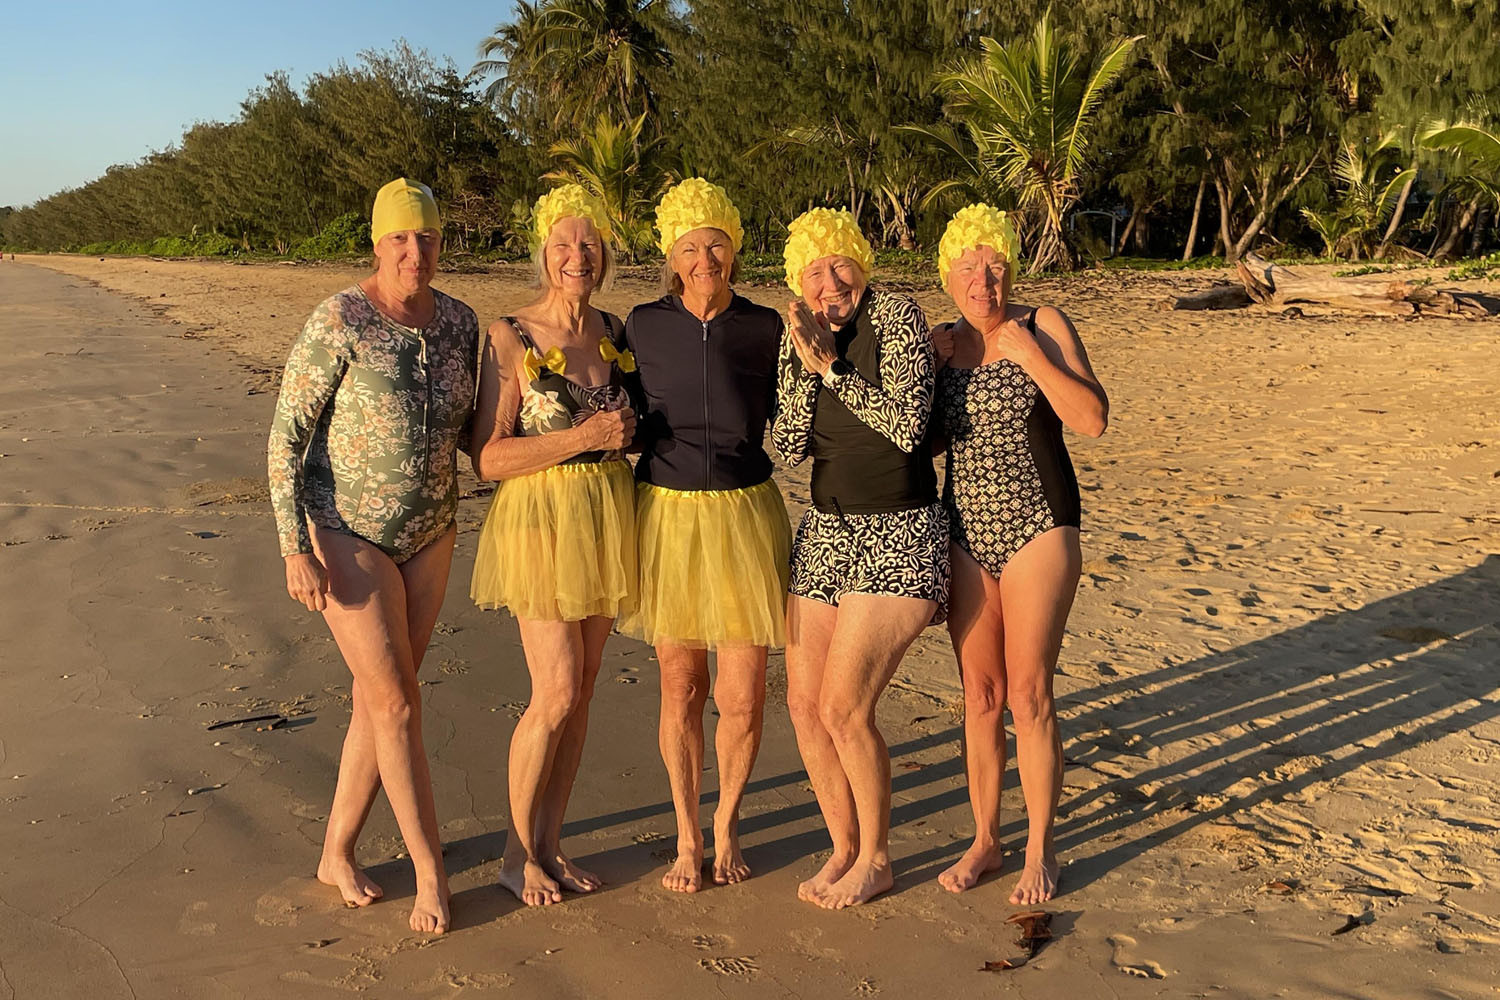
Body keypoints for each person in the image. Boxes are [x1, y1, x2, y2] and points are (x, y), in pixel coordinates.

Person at [268, 178, 478, 934]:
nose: (413, 251)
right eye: (399, 238)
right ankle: (430, 870)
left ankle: (336, 851)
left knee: (378, 697)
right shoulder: (341, 318)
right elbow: (286, 437)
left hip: (433, 533)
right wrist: (294, 546)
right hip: (346, 531)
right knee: (394, 702)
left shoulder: (461, 323)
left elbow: (481, 434)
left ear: (440, 244)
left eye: (425, 237)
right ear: (377, 242)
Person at [928, 204, 1108, 903]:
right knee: (980, 696)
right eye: (970, 268)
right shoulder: (942, 344)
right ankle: (985, 842)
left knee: (1029, 691)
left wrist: (1030, 357)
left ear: (1011, 267)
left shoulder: (1044, 325)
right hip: (965, 531)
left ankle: (1040, 850)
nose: (984, 279)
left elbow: (1091, 420)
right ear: (948, 277)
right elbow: (928, 445)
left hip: (1040, 523)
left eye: (995, 265)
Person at [771, 208, 947, 910]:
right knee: (804, 704)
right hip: (827, 532)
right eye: (814, 272)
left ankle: (878, 857)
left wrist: (834, 369)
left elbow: (908, 429)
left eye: (840, 265)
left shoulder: (898, 318)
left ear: (861, 265)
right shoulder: (801, 339)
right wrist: (801, 365)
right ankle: (843, 844)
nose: (830, 282)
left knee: (846, 707)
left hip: (901, 530)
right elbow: (787, 443)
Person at [469, 184, 638, 907]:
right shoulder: (509, 333)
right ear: (543, 250)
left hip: (607, 516)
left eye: (590, 243)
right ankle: (514, 855)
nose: (578, 256)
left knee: (585, 692)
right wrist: (582, 437)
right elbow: (488, 457)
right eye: (565, 243)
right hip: (540, 521)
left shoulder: (616, 331)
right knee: (557, 688)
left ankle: (550, 844)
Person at [619, 178, 790, 893]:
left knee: (745, 695)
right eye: (689, 246)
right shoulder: (641, 324)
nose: (703, 256)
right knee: (682, 684)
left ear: (735, 247)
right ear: (672, 254)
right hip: (667, 515)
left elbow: (802, 413)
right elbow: (613, 410)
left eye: (715, 241)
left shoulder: (766, 325)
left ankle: (727, 826)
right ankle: (688, 834)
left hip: (746, 513)